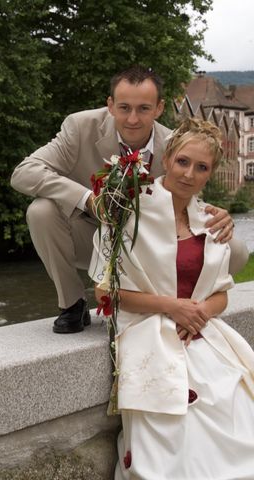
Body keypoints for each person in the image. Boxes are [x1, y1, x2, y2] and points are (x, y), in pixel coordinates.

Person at [10, 66, 247, 334]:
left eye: (144, 109)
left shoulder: (174, 145)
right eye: (124, 108)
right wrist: (88, 199)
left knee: (235, 250)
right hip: (88, 236)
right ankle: (72, 304)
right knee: (41, 211)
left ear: (159, 108)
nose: (133, 119)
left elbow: (187, 197)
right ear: (110, 106)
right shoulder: (79, 127)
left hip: (145, 251)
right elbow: (24, 173)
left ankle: (172, 299)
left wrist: (217, 215)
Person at [89, 118, 254, 479]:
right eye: (183, 162)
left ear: (209, 174)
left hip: (199, 329)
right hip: (147, 329)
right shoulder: (126, 211)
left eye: (201, 168)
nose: (189, 174)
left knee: (230, 398)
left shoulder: (211, 221)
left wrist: (198, 311)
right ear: (166, 158)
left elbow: (221, 295)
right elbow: (105, 292)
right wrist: (172, 307)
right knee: (173, 427)